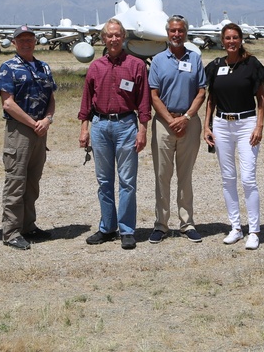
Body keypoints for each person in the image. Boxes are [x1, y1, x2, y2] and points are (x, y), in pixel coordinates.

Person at [78, 18, 152, 250]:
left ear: (124, 38)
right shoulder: (96, 66)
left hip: (126, 125)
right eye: (109, 35)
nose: (113, 39)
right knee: (104, 181)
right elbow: (87, 100)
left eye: (117, 35)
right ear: (103, 38)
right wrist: (84, 128)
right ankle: (107, 227)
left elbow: (143, 101)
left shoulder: (136, 65)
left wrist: (142, 130)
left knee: (127, 181)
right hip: (100, 125)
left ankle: (127, 230)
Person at [203, 23, 264, 250]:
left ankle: (255, 230)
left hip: (246, 123)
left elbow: (261, 98)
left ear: (241, 40)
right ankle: (236, 228)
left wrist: (259, 125)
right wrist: (206, 126)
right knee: (228, 178)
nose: (231, 41)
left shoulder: (252, 65)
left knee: (248, 178)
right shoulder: (216, 66)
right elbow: (211, 99)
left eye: (235, 38)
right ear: (222, 41)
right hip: (222, 125)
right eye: (227, 38)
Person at [0, 26, 57, 250]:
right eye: (21, 40)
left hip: (41, 130)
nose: (26, 43)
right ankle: (11, 231)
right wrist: (33, 123)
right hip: (20, 130)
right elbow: (8, 103)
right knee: (16, 181)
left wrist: (47, 120)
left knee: (32, 182)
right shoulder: (8, 68)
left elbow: (51, 97)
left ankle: (28, 226)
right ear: (14, 43)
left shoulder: (44, 67)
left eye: (29, 39)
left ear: (35, 41)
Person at [148, 15, 206, 243]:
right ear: (167, 32)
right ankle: (161, 225)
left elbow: (202, 92)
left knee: (185, 175)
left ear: (186, 32)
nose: (176, 34)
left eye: (180, 31)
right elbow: (154, 95)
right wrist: (171, 120)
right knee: (162, 175)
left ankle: (187, 223)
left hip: (189, 123)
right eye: (173, 31)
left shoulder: (195, 59)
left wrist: (187, 117)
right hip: (164, 123)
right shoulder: (158, 60)